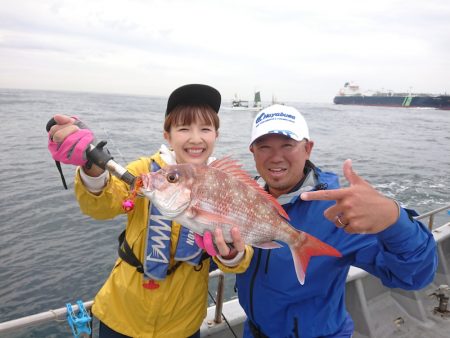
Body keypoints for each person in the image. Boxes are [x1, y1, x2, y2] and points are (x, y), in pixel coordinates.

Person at [197, 104, 438, 338]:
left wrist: (393, 220)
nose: (276, 157)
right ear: (253, 151)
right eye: (264, 147)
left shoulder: (338, 209)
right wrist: (226, 253)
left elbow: (414, 276)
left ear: (308, 148)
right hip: (255, 331)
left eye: (287, 145)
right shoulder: (241, 195)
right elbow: (240, 257)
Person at [47, 84, 222, 337]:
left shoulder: (223, 185)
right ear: (168, 135)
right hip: (120, 317)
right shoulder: (147, 172)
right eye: (184, 128)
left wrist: (233, 255)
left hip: (182, 326)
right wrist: (91, 167)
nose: (195, 138)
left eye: (205, 129)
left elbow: (241, 256)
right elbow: (104, 204)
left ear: (217, 134)